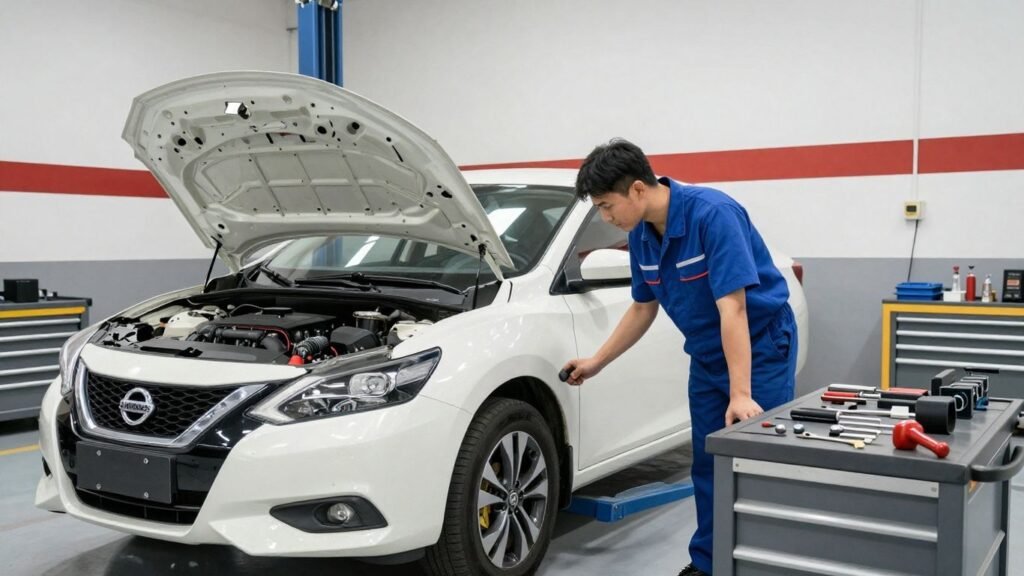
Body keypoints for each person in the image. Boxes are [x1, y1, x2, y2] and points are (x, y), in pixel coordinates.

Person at [562, 139, 798, 576]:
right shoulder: (641, 240)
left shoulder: (712, 214)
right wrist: (597, 361)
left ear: (636, 189)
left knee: (758, 461)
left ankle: (764, 561)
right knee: (707, 462)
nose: (606, 217)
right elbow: (642, 307)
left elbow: (734, 308)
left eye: (607, 206)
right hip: (708, 356)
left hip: (761, 346)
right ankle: (710, 564)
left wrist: (740, 393)